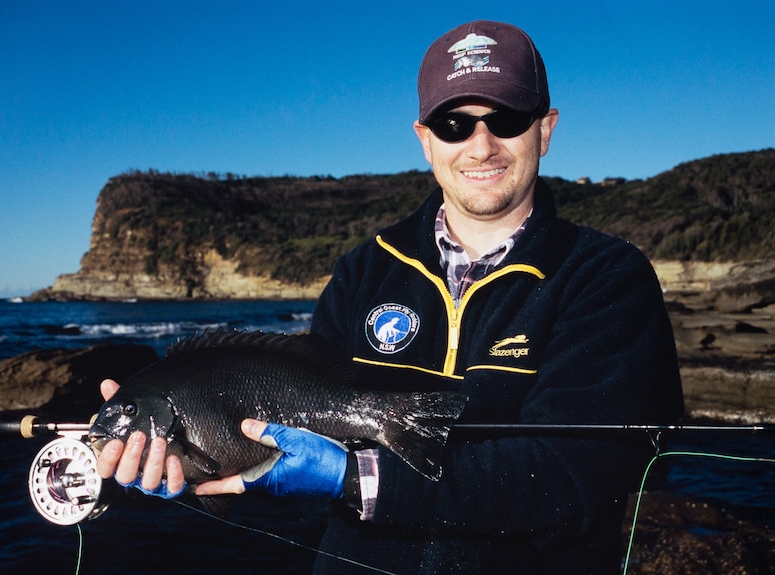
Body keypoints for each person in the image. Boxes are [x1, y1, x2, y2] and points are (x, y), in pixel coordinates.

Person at [96, 20, 685, 574]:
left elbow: (575, 481)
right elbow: (291, 423)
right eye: (454, 125)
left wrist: (356, 479)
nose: (481, 145)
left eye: (505, 118)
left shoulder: (608, 278)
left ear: (545, 129)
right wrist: (195, 467)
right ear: (425, 141)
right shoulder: (362, 271)